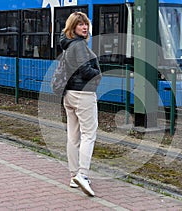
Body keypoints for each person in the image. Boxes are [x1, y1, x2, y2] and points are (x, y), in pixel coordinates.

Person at [59, 12, 101, 197]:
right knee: (89, 134)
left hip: (69, 94)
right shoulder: (79, 45)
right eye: (80, 24)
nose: (85, 27)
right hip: (83, 94)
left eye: (86, 24)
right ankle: (83, 174)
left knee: (73, 136)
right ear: (73, 27)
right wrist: (98, 73)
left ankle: (73, 175)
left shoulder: (68, 44)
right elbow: (85, 70)